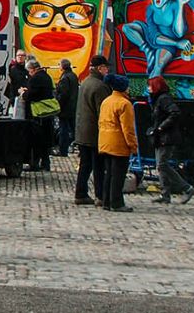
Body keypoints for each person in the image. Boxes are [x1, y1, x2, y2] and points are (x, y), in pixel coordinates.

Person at [148, 76, 194, 204]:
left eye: (150, 86)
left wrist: (162, 127)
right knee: (160, 166)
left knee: (163, 164)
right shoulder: (157, 99)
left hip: (167, 137)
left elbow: (175, 113)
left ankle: (186, 188)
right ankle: (165, 194)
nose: (148, 88)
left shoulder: (164, 99)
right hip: (160, 136)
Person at [73, 54, 112, 206]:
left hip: (83, 131)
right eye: (105, 68)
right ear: (99, 68)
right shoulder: (100, 86)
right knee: (98, 166)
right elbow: (103, 112)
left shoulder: (86, 82)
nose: (107, 71)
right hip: (94, 133)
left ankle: (80, 193)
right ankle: (100, 195)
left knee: (85, 165)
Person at [97, 73, 138, 212]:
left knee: (108, 173)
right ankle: (117, 202)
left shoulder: (106, 101)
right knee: (118, 175)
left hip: (105, 141)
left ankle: (106, 201)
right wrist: (133, 146)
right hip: (119, 143)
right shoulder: (124, 104)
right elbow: (128, 128)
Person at [21, 57, 54, 171]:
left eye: (29, 71)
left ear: (33, 69)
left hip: (37, 113)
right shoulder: (47, 76)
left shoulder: (35, 78)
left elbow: (31, 95)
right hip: (47, 112)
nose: (29, 74)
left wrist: (23, 93)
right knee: (45, 140)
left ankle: (34, 163)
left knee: (36, 140)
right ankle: (46, 163)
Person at [55, 58, 79, 158]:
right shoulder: (73, 75)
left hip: (65, 109)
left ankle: (63, 149)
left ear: (62, 66)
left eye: (59, 65)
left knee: (63, 129)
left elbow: (63, 94)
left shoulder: (65, 78)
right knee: (73, 129)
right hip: (73, 107)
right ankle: (78, 147)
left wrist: (58, 103)